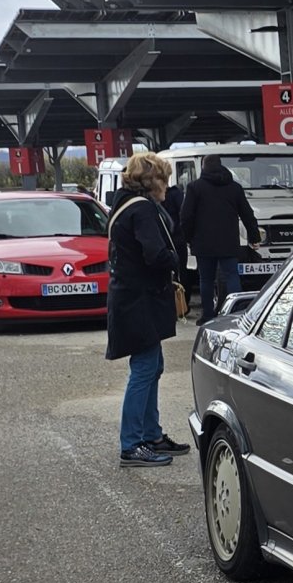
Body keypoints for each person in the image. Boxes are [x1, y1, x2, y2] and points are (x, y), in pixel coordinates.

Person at [105, 152, 190, 468]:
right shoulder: (142, 209)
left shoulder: (124, 204)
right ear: (151, 181)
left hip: (132, 297)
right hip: (139, 299)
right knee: (144, 369)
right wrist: (174, 262)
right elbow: (154, 253)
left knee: (152, 366)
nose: (167, 185)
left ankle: (151, 434)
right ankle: (132, 444)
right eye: (164, 179)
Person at [180, 153, 261, 322]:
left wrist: (188, 238)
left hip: (203, 242)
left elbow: (186, 216)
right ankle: (236, 313)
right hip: (228, 241)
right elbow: (247, 214)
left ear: (204, 166)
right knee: (232, 276)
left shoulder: (195, 187)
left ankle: (208, 314)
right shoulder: (234, 188)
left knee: (206, 279)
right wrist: (254, 237)